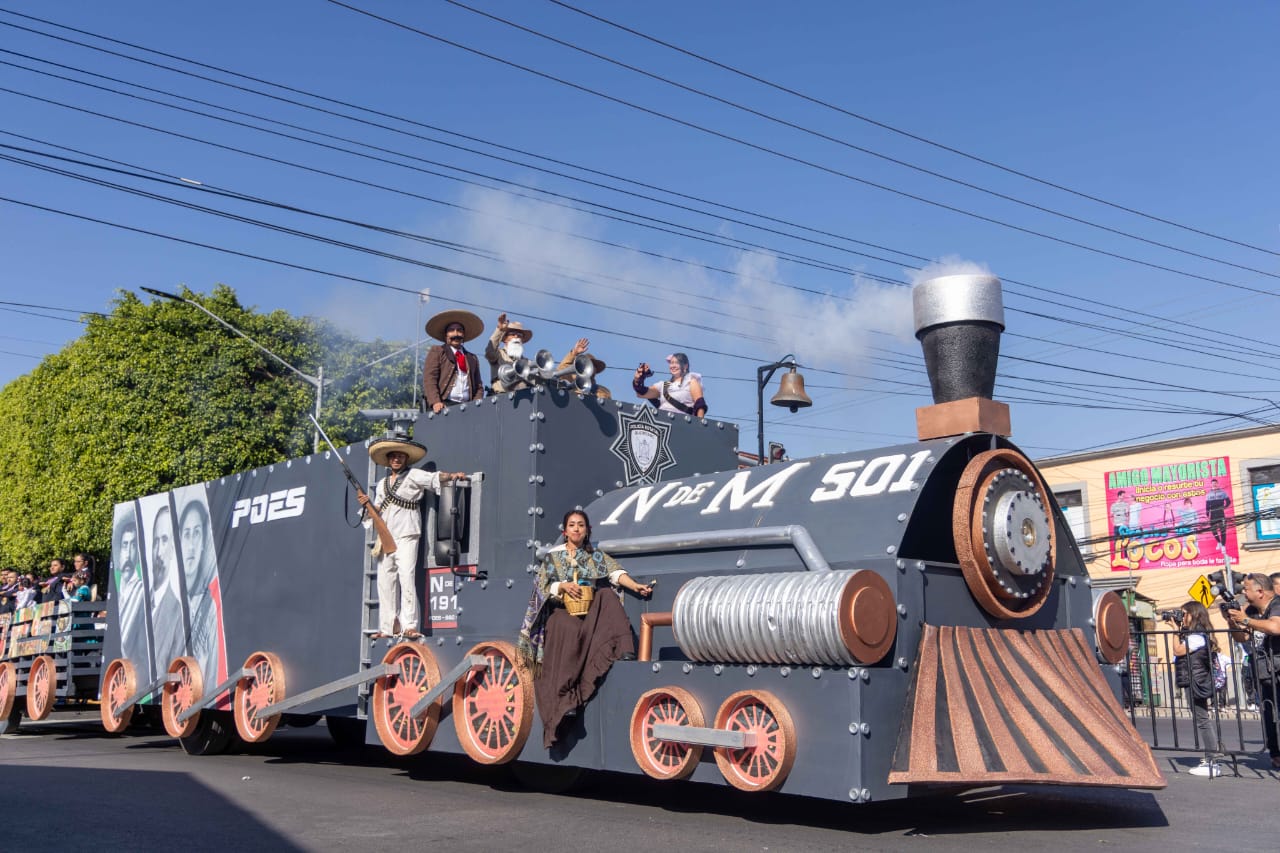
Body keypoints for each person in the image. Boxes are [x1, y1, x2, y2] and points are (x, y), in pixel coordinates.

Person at [517, 509, 652, 749]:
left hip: (587, 611)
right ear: (565, 531)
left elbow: (615, 573)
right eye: (572, 525)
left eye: (581, 525)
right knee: (568, 628)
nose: (577, 529)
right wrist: (563, 586)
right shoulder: (554, 556)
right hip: (561, 613)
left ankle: (623, 647)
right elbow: (542, 586)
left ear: (587, 530)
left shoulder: (593, 555)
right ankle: (564, 702)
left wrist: (636, 586)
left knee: (607, 595)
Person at [357, 434, 467, 640]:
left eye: (401, 456)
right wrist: (366, 504)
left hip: (407, 534)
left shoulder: (414, 475)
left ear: (406, 459)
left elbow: (435, 478)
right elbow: (378, 509)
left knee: (406, 578)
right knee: (385, 581)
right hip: (386, 536)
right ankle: (388, 626)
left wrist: (452, 476)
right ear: (389, 460)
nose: (397, 459)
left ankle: (409, 625)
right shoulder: (382, 484)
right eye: (394, 456)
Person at [1227, 573, 1280, 769]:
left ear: (1260, 591)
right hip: (1265, 671)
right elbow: (1243, 638)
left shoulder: (1277, 604)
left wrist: (1246, 620)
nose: (1244, 593)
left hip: (1278, 668)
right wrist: (1232, 622)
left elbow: (1276, 627)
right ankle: (1276, 754)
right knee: (1270, 715)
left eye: (1246, 589)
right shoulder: (1251, 610)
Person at [1165, 601, 1221, 776]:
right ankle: (1211, 756)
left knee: (1202, 719)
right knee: (1201, 718)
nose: (1182, 617)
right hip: (1194, 680)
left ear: (1194, 614)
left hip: (1196, 681)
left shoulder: (1197, 636)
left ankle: (1211, 758)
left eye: (1184, 614)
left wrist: (1175, 631)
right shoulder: (1193, 634)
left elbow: (1178, 651)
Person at [423, 309, 485, 412]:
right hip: (444, 405)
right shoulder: (438, 351)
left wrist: (476, 404)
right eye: (451, 330)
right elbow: (430, 378)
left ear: (463, 334)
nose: (456, 333)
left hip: (467, 407)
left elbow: (479, 386)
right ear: (446, 335)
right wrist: (435, 401)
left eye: (459, 330)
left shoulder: (472, 358)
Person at [633, 352, 706, 417]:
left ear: (685, 366)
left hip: (683, 424)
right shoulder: (664, 385)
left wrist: (699, 426)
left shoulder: (691, 381)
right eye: (671, 363)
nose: (673, 366)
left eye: (677, 363)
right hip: (662, 422)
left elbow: (700, 405)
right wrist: (639, 379)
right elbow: (641, 393)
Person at [484, 312, 534, 393]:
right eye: (512, 334)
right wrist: (500, 329)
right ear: (505, 339)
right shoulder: (498, 354)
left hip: (525, 400)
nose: (516, 337)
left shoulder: (528, 362)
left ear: (522, 340)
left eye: (519, 335)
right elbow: (489, 351)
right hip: (501, 399)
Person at [1204, 478, 1231, 552]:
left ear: (1217, 484)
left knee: (1223, 530)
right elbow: (1207, 506)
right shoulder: (1209, 494)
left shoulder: (1222, 492)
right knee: (1213, 530)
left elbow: (1228, 501)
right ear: (1211, 485)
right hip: (1212, 514)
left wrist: (1224, 507)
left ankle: (1223, 546)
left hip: (1221, 514)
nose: (1214, 485)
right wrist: (1207, 515)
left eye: (1215, 483)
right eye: (1213, 484)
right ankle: (1219, 542)